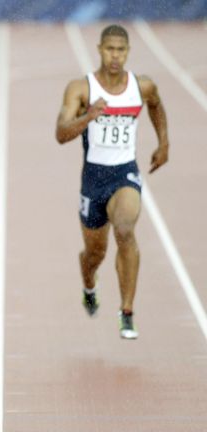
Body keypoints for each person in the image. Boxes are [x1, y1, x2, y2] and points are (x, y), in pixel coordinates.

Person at [55, 24, 170, 339]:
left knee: (125, 230)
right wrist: (88, 117)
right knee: (95, 255)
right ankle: (89, 286)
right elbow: (61, 134)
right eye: (110, 49)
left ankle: (127, 312)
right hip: (93, 179)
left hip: (124, 174)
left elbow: (156, 105)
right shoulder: (81, 89)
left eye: (121, 50)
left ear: (128, 52)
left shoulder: (142, 86)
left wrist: (164, 142)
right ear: (100, 50)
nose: (115, 56)